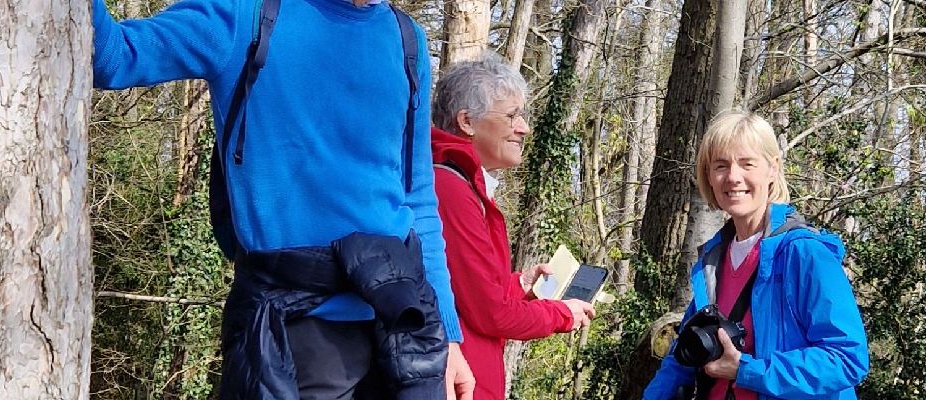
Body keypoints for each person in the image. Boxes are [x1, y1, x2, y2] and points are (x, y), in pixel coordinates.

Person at [90, 0, 476, 398]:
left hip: (406, 331)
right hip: (292, 337)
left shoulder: (405, 39)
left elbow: (418, 199)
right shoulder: (244, 16)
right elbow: (113, 57)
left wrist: (448, 335)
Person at [642, 111, 870, 400]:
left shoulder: (804, 254)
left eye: (747, 163)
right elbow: (681, 358)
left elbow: (847, 359)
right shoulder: (714, 259)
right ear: (709, 176)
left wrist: (746, 370)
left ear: (772, 169)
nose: (733, 177)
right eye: (721, 166)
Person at [427, 55, 598, 400]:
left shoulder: (463, 185)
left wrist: (519, 283)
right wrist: (561, 313)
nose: (524, 128)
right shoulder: (450, 189)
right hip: (461, 386)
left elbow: (467, 293)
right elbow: (491, 315)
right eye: (511, 116)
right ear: (467, 121)